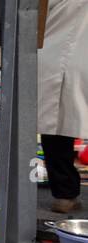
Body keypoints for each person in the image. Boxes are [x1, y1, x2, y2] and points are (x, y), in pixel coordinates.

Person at [38, 0, 87, 214]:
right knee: (58, 124)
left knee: (56, 126)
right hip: (76, 59)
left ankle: (65, 194)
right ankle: (65, 195)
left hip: (49, 56)